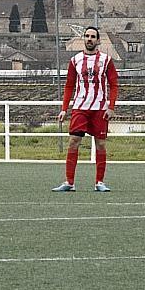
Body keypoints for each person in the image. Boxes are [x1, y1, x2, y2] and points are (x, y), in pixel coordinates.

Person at [53, 26, 118, 192]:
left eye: (93, 36)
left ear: (98, 40)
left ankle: (99, 182)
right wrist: (64, 108)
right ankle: (69, 182)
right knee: (73, 141)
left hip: (99, 109)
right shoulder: (75, 60)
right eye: (87, 36)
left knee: (101, 144)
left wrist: (111, 107)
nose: (89, 39)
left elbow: (114, 85)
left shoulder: (106, 60)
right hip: (80, 107)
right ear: (84, 39)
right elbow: (69, 85)